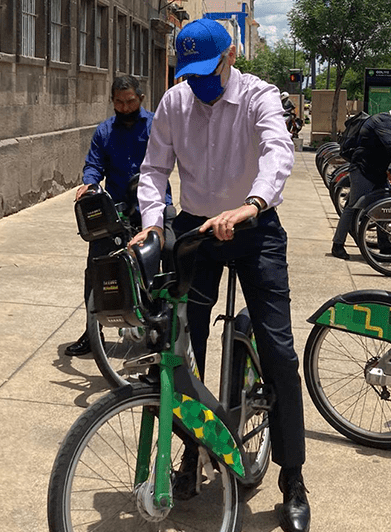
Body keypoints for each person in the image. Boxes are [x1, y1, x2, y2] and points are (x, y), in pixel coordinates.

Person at [130, 19, 309, 532]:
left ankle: (292, 478)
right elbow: (153, 169)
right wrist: (151, 224)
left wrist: (251, 205)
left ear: (229, 57)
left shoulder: (259, 95)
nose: (200, 83)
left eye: (208, 71)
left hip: (254, 225)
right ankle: (191, 452)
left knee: (278, 348)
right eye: (190, 74)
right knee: (183, 345)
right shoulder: (175, 101)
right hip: (196, 227)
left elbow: (279, 151)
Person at [64, 75, 173, 357]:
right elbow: (94, 165)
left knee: (169, 256)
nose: (125, 108)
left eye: (130, 102)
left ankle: (165, 326)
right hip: (118, 209)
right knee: (97, 266)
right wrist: (89, 183)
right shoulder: (104, 131)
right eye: (119, 102)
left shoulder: (155, 126)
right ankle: (92, 331)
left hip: (154, 205)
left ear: (141, 99)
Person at [331, 105, 391, 260]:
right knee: (353, 206)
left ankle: (386, 247)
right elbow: (390, 144)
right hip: (363, 169)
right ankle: (337, 244)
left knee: (385, 206)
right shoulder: (383, 121)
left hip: (376, 171)